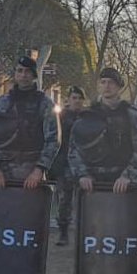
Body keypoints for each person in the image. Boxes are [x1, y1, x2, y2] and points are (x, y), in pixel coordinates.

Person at [69, 68, 137, 194]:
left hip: (122, 184)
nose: (107, 86)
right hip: (92, 184)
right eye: (103, 82)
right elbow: (74, 150)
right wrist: (83, 174)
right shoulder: (87, 115)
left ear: (119, 86)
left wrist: (127, 176)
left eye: (111, 82)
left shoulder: (131, 114)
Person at [0, 56, 59, 190]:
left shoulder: (45, 104)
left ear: (34, 75)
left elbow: (53, 140)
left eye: (27, 72)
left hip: (32, 171)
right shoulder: (2, 102)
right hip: (2, 172)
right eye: (20, 71)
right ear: (15, 74)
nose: (23, 75)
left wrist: (39, 170)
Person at [50, 86, 86, 246]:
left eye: (79, 98)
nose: (77, 101)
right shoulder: (61, 117)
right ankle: (63, 232)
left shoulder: (88, 117)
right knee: (64, 200)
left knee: (84, 201)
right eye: (74, 97)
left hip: (84, 165)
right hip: (64, 164)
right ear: (68, 99)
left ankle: (83, 233)